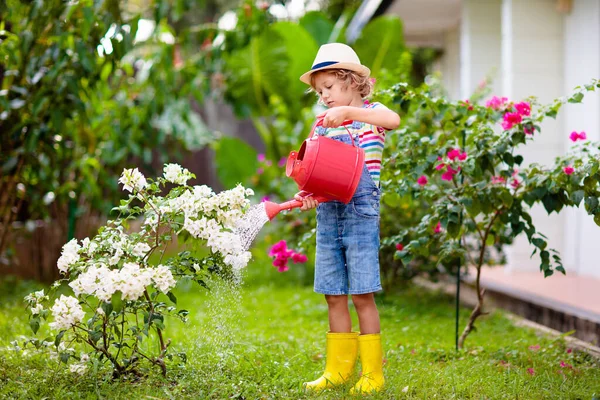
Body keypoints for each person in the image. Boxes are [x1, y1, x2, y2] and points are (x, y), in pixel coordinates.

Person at [296, 42, 400, 394]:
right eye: (319, 91)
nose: (324, 96)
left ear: (353, 80)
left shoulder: (372, 115)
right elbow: (312, 170)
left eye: (329, 87)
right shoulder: (320, 126)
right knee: (333, 294)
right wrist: (306, 194)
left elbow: (394, 120)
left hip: (360, 214)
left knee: (361, 294)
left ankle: (372, 374)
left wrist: (351, 114)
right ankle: (338, 370)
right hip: (328, 214)